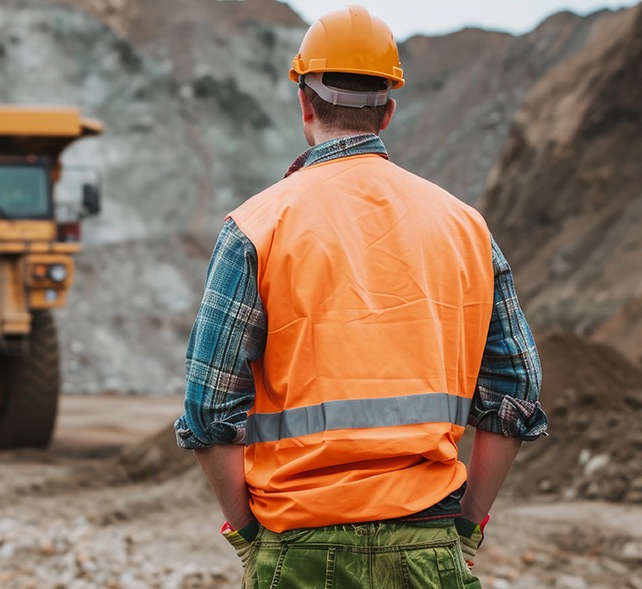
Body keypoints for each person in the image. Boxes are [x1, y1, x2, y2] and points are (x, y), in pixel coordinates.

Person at [173, 5, 547, 588]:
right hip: (428, 543)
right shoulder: (466, 227)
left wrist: (248, 536)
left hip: (296, 546)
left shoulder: (255, 227)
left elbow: (207, 409)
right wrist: (467, 527)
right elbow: (516, 389)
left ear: (304, 103)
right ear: (388, 111)